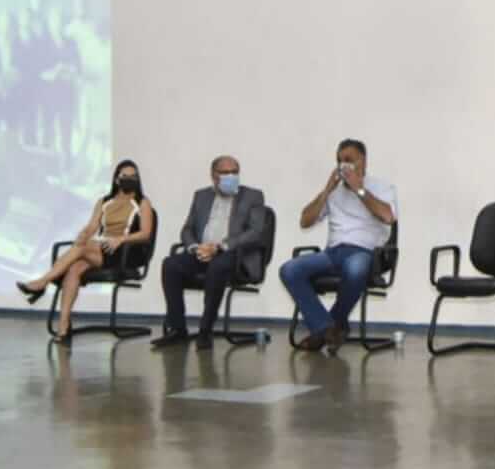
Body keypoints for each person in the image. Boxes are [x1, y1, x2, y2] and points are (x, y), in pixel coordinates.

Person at [15, 160, 155, 345]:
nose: (129, 179)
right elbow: (92, 226)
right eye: (125, 176)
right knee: (74, 268)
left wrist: (120, 239)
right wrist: (84, 234)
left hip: (124, 252)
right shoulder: (104, 202)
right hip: (102, 248)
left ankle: (43, 282)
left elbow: (145, 234)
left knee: (81, 248)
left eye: (133, 176)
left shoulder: (142, 203)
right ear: (116, 179)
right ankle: (64, 326)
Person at [279, 139, 397, 354]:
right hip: (332, 253)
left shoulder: (381, 187)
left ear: (363, 161)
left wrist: (359, 190)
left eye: (349, 160)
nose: (343, 165)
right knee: (290, 269)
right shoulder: (334, 192)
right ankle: (328, 328)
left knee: (356, 268)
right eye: (339, 161)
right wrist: (326, 190)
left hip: (366, 253)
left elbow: (388, 217)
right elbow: (305, 221)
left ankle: (326, 328)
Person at [152, 155, 267, 350]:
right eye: (225, 172)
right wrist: (195, 247)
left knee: (217, 265)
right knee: (170, 265)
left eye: (235, 172)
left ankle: (205, 331)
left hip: (233, 254)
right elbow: (187, 229)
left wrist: (220, 246)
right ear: (213, 176)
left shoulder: (253, 196)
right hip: (202, 251)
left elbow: (255, 232)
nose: (231, 176)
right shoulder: (201, 196)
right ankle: (178, 330)